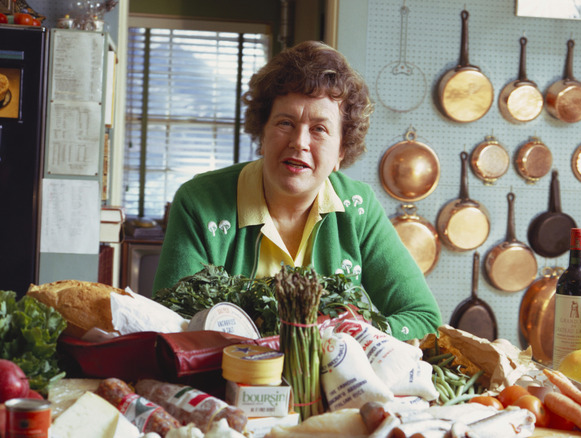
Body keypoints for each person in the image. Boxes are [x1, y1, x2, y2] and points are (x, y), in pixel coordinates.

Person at [153, 41, 442, 340]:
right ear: (262, 134)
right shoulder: (199, 202)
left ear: (341, 150)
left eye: (319, 129)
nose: (299, 142)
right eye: (285, 123)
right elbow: (170, 322)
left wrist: (353, 336)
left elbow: (424, 318)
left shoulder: (359, 208)